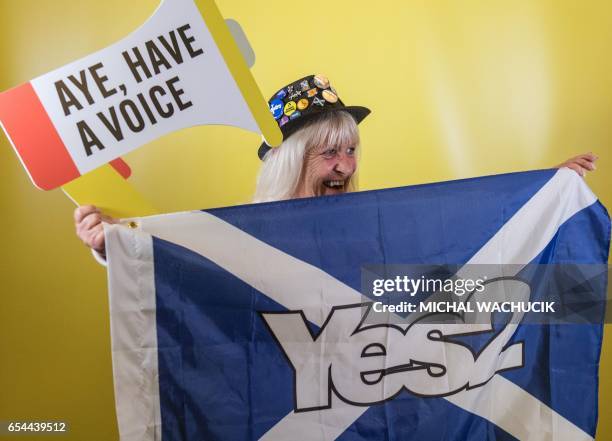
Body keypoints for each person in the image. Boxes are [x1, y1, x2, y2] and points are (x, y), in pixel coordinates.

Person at [74, 74, 599, 258]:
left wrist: (541, 194)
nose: (346, 165)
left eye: (350, 151)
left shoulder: (371, 221)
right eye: (329, 152)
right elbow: (182, 264)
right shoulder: (242, 234)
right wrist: (113, 245)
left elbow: (457, 233)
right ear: (290, 162)